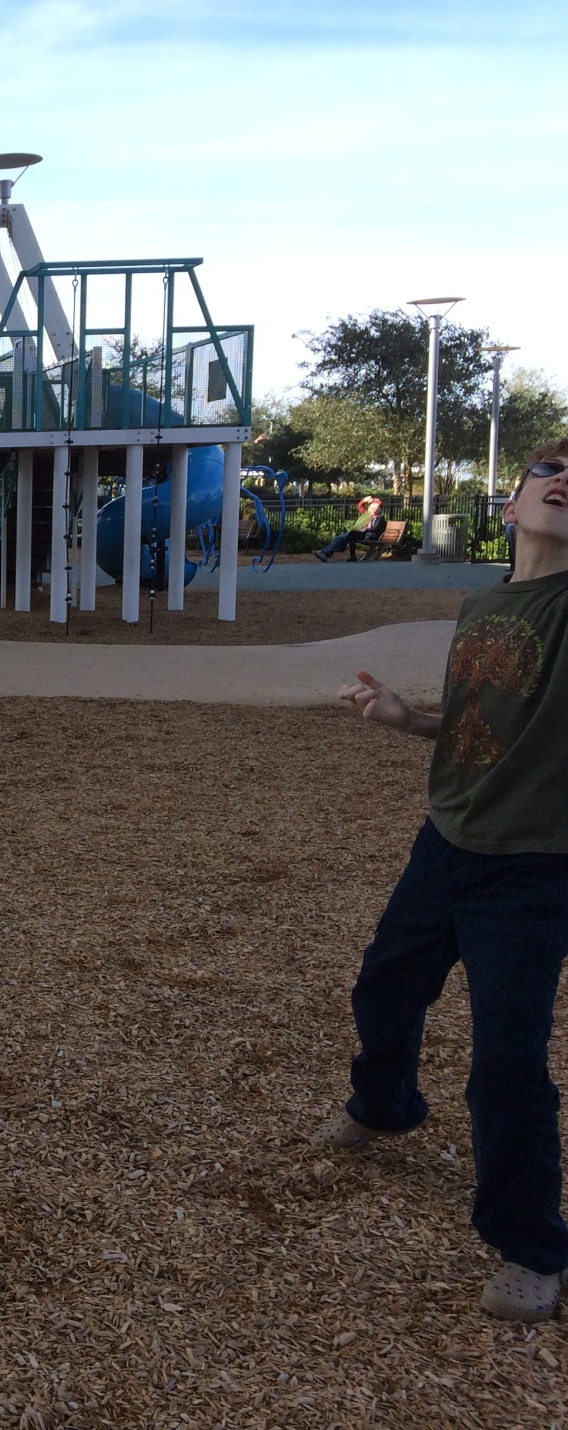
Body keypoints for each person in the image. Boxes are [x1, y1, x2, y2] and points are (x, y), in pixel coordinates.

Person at [320, 441, 568, 1322]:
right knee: (384, 989)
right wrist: (403, 716)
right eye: (551, 467)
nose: (565, 477)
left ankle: (535, 1247)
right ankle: (384, 1107)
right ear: (511, 504)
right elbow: (471, 731)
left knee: (506, 1063)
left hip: (534, 872)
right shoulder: (485, 604)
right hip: (445, 844)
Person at [315, 496, 386, 561]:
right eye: (372, 506)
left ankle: (325, 553)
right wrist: (364, 500)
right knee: (340, 538)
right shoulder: (366, 513)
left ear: (378, 509)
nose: (373, 509)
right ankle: (326, 553)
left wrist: (364, 529)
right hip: (357, 532)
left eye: (375, 507)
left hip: (363, 533)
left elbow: (375, 528)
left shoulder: (378, 517)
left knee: (341, 538)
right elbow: (359, 506)